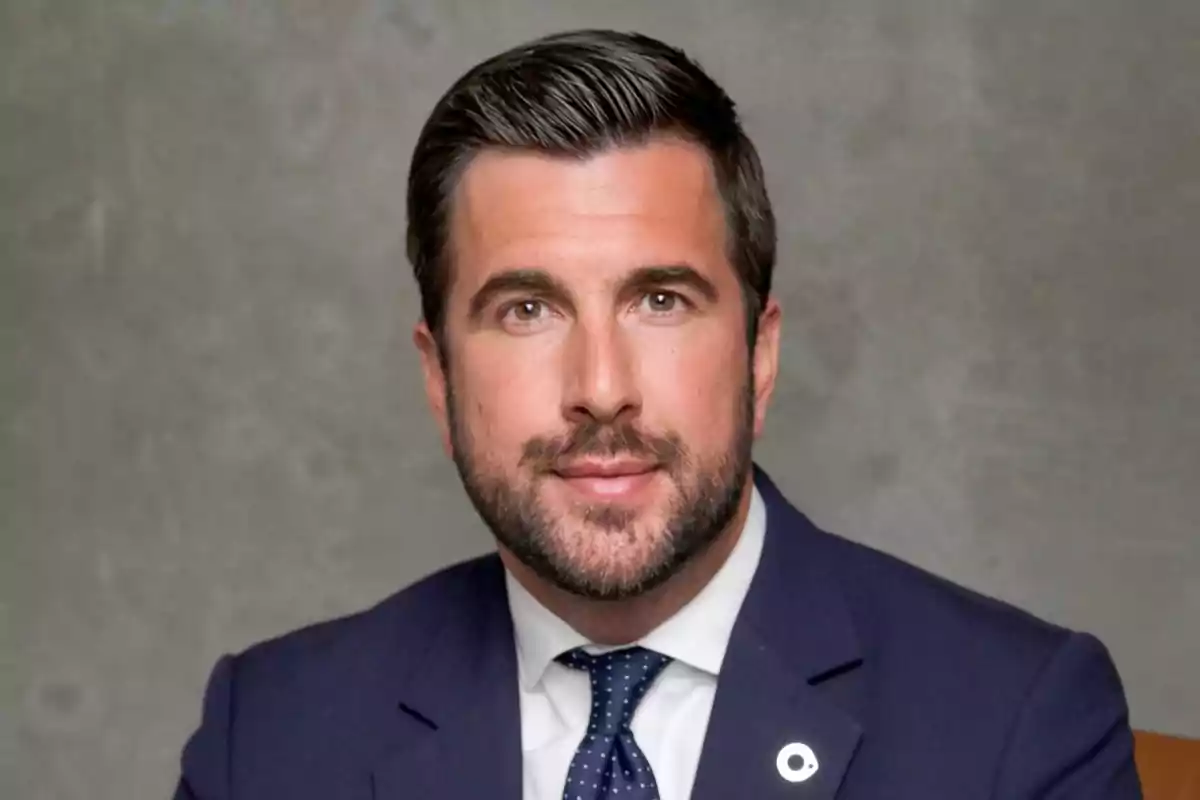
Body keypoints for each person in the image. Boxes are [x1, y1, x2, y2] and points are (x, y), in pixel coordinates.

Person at [173, 29, 1142, 800]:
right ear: (438, 376)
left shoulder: (1017, 724)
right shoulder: (267, 737)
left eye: (661, 300)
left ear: (759, 353)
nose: (601, 385)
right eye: (527, 309)